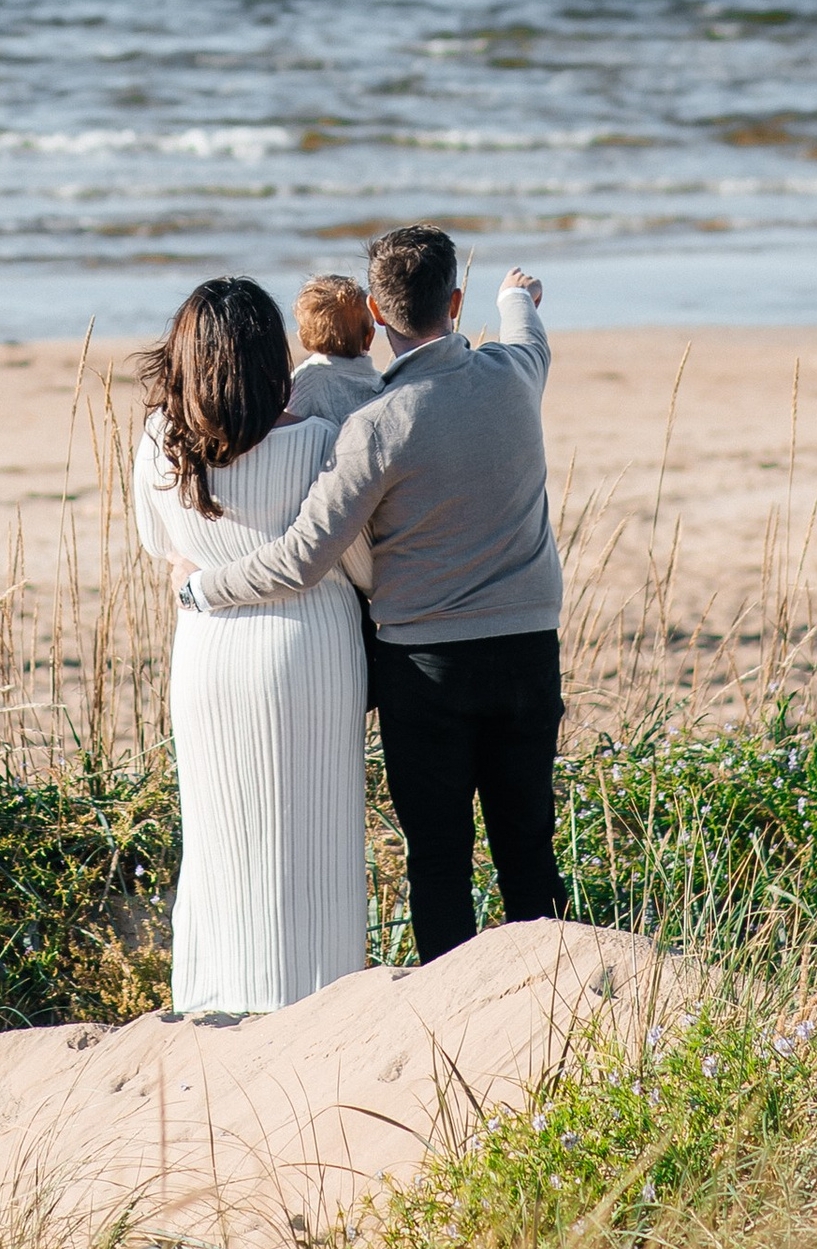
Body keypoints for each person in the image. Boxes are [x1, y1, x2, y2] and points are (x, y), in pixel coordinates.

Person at [173, 225, 568, 964]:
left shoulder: (375, 427)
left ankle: (452, 1009)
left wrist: (202, 589)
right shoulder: (516, 375)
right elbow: (527, 331)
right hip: (527, 653)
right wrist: (517, 296)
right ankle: (561, 1000)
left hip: (426, 672)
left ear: (378, 316)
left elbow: (301, 560)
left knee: (439, 861)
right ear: (455, 301)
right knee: (529, 850)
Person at [132, 275, 369, 1015]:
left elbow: (159, 546)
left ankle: (216, 999)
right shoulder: (322, 445)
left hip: (208, 656)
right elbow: (362, 564)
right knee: (316, 842)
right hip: (310, 654)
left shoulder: (159, 445)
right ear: (274, 357)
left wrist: (208, 571)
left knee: (217, 842)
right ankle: (317, 1006)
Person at [286, 270, 387, 421]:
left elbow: (289, 425)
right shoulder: (382, 385)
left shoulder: (307, 379)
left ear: (302, 335)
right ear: (369, 338)